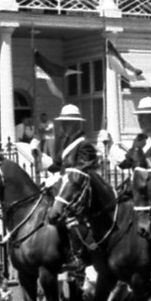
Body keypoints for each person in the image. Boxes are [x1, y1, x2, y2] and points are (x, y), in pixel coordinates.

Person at [47, 104, 99, 273]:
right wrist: (39, 158)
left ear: (76, 124)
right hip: (63, 187)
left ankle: (78, 256)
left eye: (68, 122)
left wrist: (62, 178)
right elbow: (56, 165)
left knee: (71, 219)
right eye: (63, 122)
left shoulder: (85, 145)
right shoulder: (65, 143)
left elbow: (81, 173)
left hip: (77, 191)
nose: (64, 126)